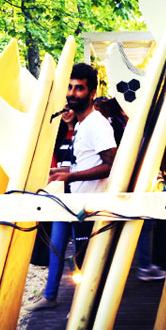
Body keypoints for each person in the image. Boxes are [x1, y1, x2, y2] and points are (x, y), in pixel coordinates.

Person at [26, 63, 117, 311]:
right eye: (69, 87)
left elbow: (111, 165)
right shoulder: (80, 123)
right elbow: (85, 162)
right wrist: (61, 173)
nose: (72, 93)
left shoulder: (97, 124)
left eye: (79, 88)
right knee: (56, 247)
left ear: (92, 93)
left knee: (84, 261)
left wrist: (71, 177)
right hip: (70, 200)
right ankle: (50, 296)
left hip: (88, 206)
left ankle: (84, 310)